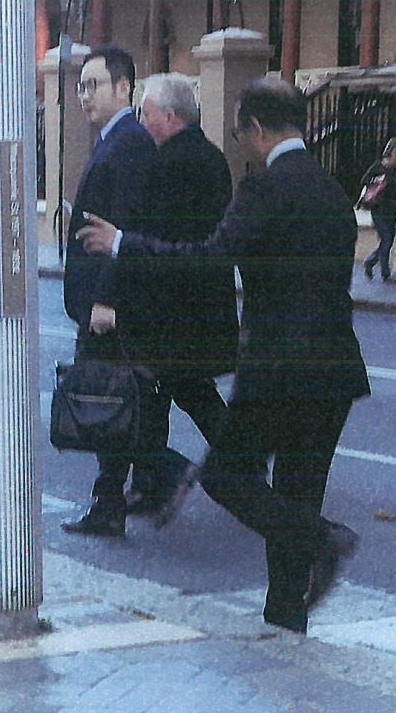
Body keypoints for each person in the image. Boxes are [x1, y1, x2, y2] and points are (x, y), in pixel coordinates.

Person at [76, 78, 371, 633]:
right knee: (299, 487)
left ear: (257, 129)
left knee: (228, 477)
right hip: (334, 368)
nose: (240, 143)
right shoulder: (334, 192)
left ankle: (321, 541)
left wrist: (122, 243)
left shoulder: (264, 189)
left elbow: (209, 258)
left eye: (240, 133)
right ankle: (287, 612)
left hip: (278, 370)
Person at [60, 46, 182, 539]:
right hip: (105, 301)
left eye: (94, 85)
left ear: (124, 88)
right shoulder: (115, 139)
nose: (85, 94)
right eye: (82, 86)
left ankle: (154, 477)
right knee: (112, 401)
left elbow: (125, 226)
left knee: (110, 400)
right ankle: (119, 497)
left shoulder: (128, 143)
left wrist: (107, 299)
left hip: (113, 305)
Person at [125, 73, 239, 519]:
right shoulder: (213, 159)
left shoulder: (167, 164)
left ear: (170, 116)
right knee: (184, 391)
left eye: (147, 113)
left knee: (157, 392)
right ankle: (234, 464)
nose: (143, 121)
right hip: (204, 305)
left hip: (171, 308)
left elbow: (156, 238)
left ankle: (160, 479)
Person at [361, 136, 396, 283]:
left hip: (392, 209)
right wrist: (378, 180)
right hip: (378, 209)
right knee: (386, 240)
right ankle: (385, 274)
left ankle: (370, 262)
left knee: (387, 241)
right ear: (392, 152)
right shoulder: (378, 166)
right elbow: (365, 180)